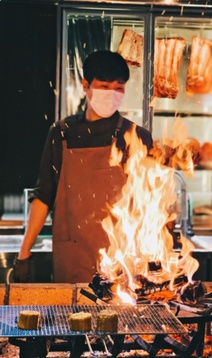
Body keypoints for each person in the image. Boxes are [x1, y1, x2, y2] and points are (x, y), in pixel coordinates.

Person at [14, 50, 153, 284]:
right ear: (85, 85)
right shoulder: (61, 133)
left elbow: (148, 204)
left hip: (121, 262)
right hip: (73, 257)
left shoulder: (135, 137)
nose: (112, 94)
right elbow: (44, 196)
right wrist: (24, 253)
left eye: (119, 88)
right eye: (104, 86)